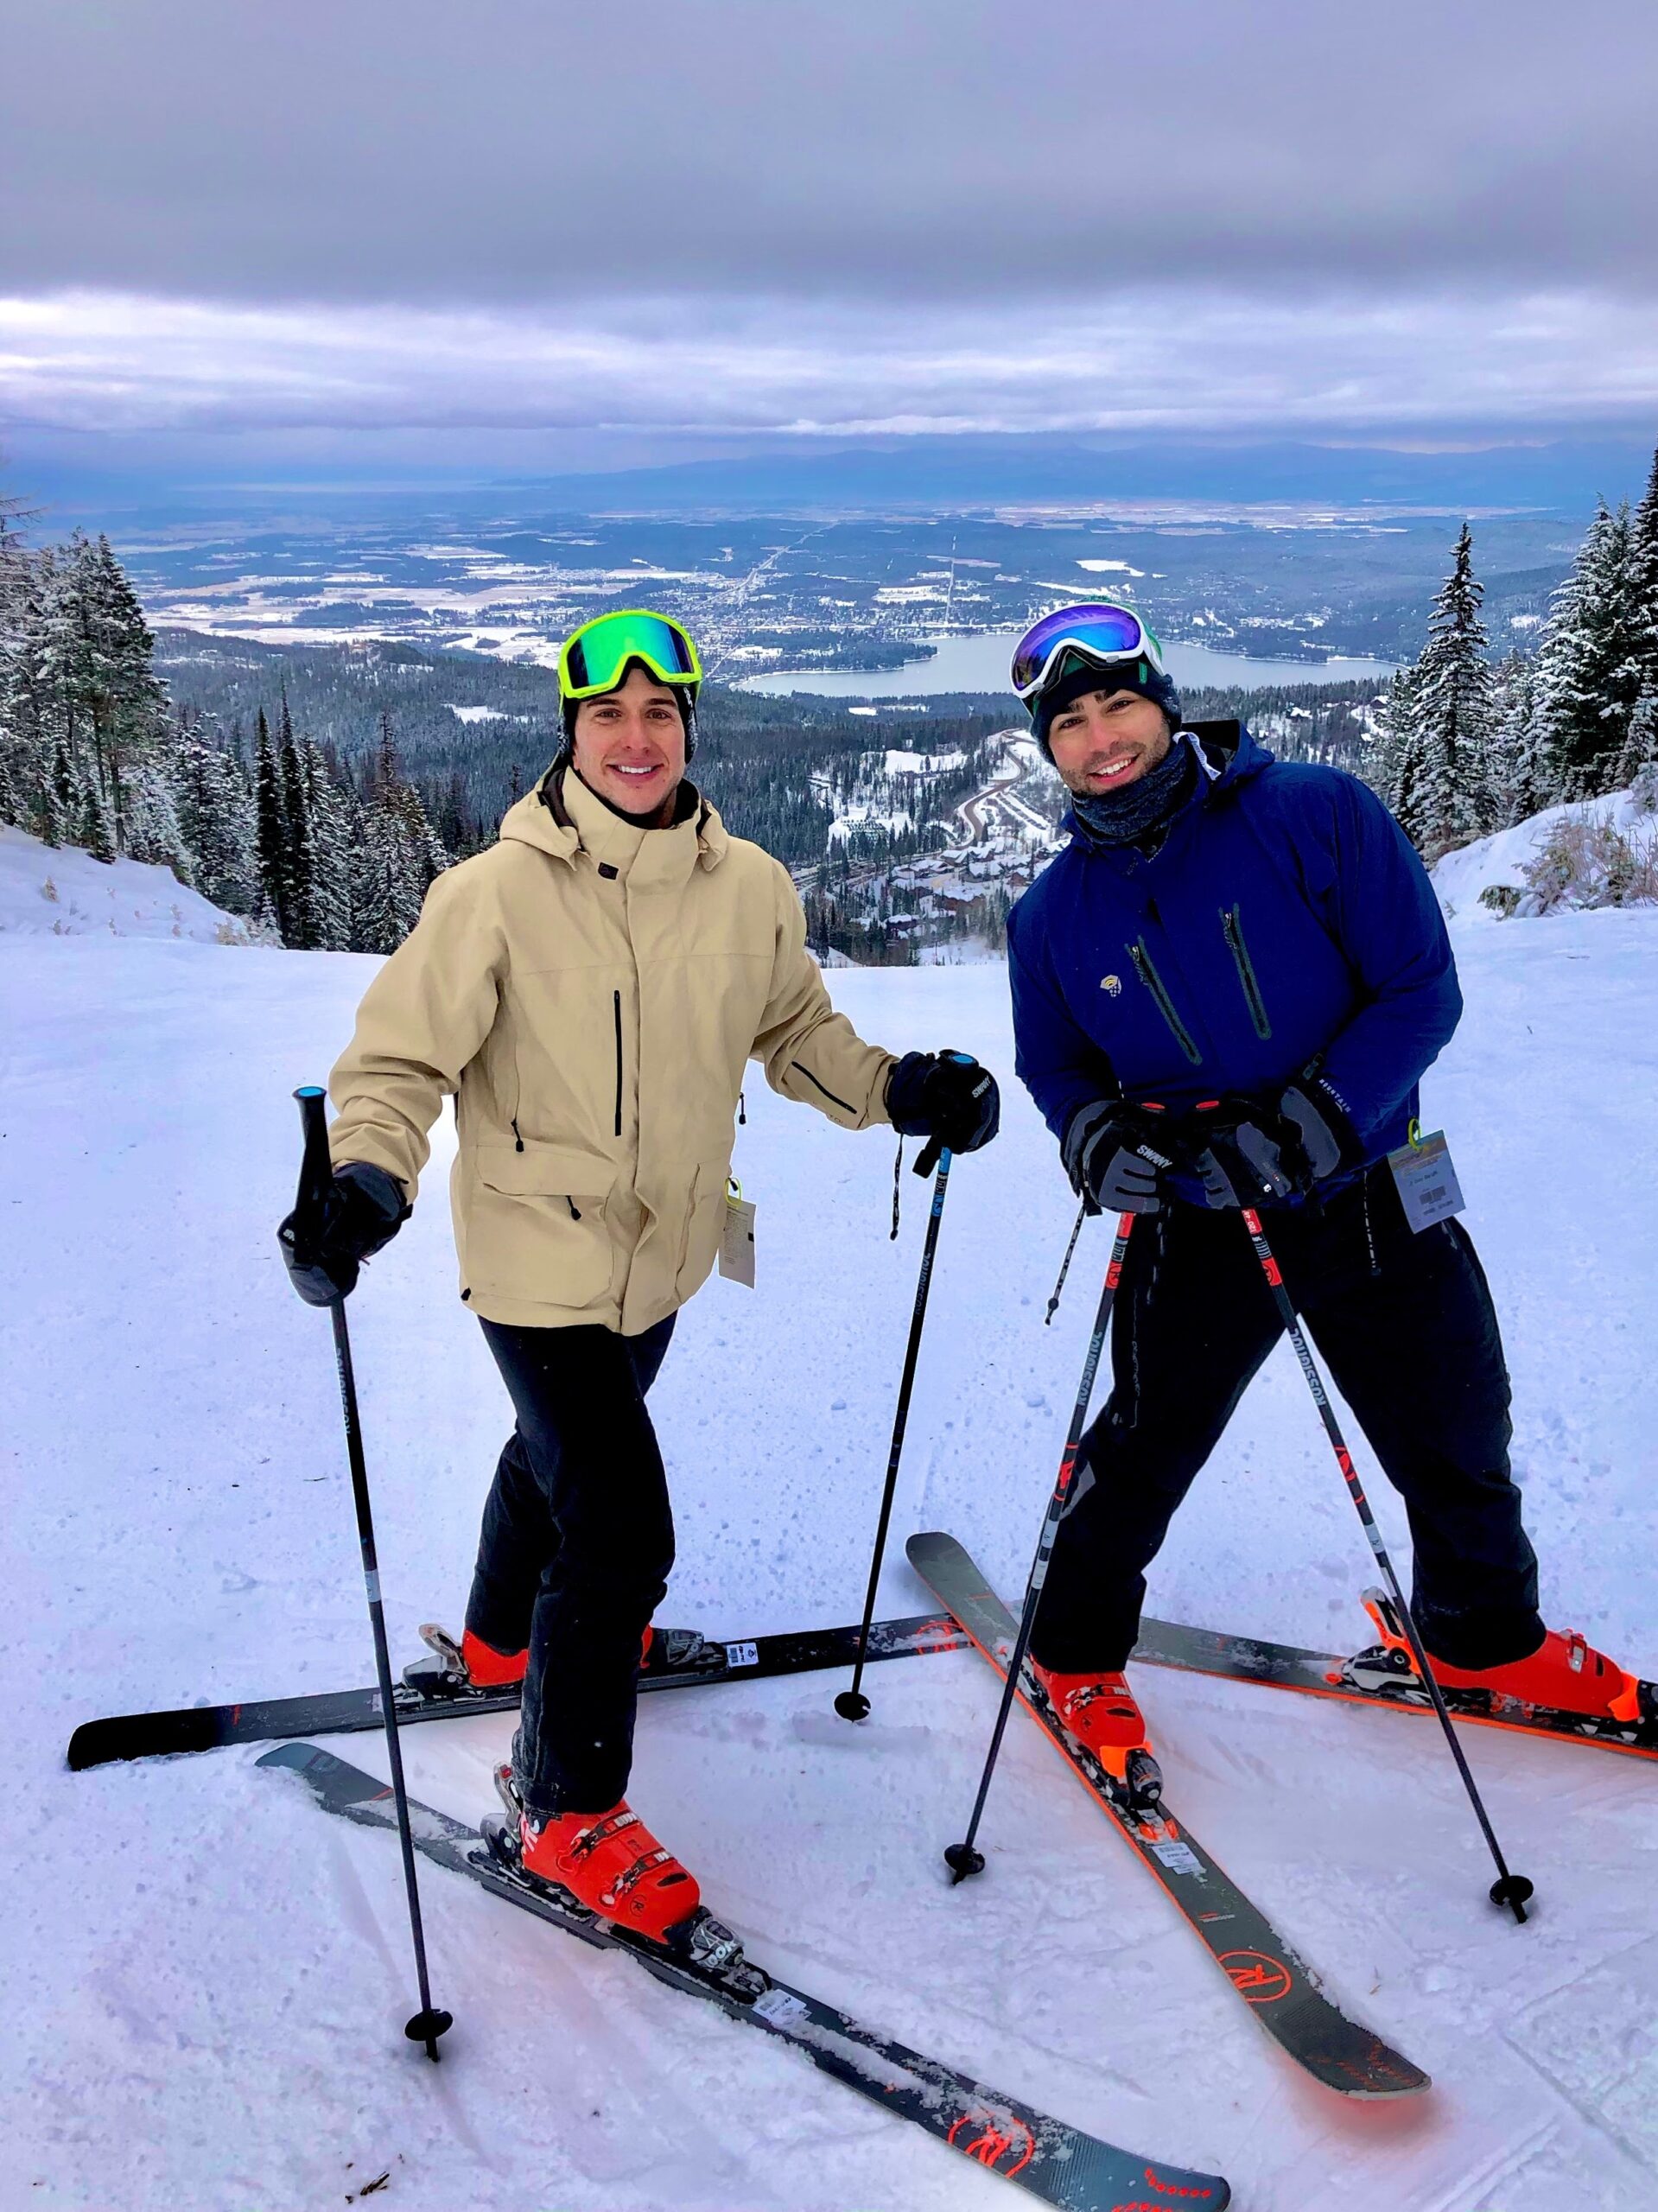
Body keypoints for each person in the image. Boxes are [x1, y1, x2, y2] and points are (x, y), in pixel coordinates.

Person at [279, 607, 999, 1943]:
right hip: (535, 1261)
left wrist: (899, 1088)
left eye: (658, 713)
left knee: (554, 1458)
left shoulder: (750, 887)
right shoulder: (492, 894)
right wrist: (366, 1178)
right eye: (606, 715)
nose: (634, 736)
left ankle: (506, 1645)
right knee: (619, 1523)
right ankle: (563, 1806)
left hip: (662, 1257)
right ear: (570, 733)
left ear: (687, 729)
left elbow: (795, 1033)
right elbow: (395, 1065)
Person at [1002, 601, 1642, 1785]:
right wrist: (1095, 1141)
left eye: (1120, 706)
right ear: (1050, 746)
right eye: (1073, 723)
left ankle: (1481, 1641)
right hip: (1199, 1215)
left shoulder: (1312, 814)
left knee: (1456, 1422)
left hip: (1374, 1183)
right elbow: (1058, 1067)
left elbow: (1418, 991)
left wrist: (1314, 1120)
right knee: (1145, 1446)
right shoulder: (1051, 915)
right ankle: (1076, 1654)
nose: (1102, 740)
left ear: (1166, 702)